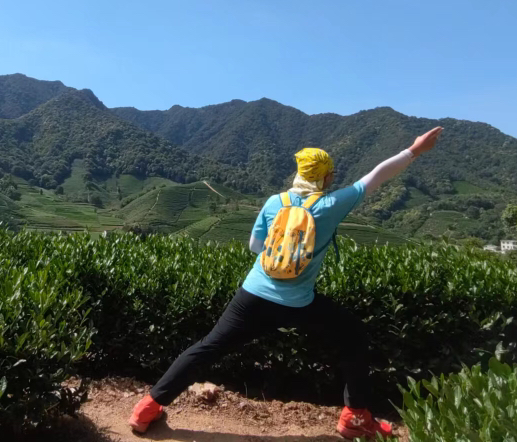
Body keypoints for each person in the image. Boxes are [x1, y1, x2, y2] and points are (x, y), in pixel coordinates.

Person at [128, 127, 444, 439]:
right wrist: (414, 150)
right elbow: (375, 176)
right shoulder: (330, 206)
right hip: (299, 303)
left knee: (209, 347)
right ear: (325, 177)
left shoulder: (274, 202)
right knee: (353, 337)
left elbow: (255, 246)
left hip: (253, 296)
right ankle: (355, 418)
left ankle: (147, 408)